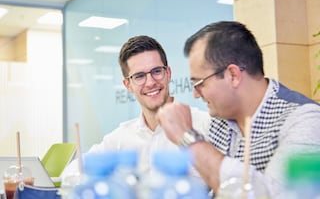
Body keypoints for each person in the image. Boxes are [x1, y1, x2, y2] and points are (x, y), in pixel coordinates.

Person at [157, 21, 320, 198]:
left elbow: (274, 195)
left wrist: (188, 138)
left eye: (200, 83)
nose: (196, 94)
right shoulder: (221, 121)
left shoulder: (304, 119)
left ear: (233, 75)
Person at [62, 35, 211, 180]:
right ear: (128, 85)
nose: (150, 82)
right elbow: (73, 172)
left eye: (156, 71)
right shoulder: (120, 138)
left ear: (168, 73)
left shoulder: (204, 125)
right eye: (139, 76)